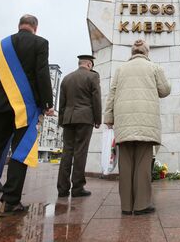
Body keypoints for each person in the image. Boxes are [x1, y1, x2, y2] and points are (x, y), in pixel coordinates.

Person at [0, 14, 54, 216]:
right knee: (20, 153)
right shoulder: (40, 43)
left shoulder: (1, 45)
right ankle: (10, 201)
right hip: (24, 108)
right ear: (35, 28)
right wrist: (47, 104)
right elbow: (42, 74)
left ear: (19, 26)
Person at [104, 39, 170, 215]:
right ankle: (141, 205)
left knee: (125, 165)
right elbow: (165, 90)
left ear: (132, 52)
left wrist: (108, 117)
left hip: (123, 121)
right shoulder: (154, 67)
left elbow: (112, 94)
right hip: (146, 121)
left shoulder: (120, 69)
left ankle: (126, 206)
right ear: (146, 52)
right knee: (142, 164)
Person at [57, 54, 102, 198]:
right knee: (80, 152)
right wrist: (97, 119)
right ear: (89, 64)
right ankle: (77, 188)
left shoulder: (66, 78)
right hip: (85, 118)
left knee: (67, 152)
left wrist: (61, 120)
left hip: (68, 118)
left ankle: (62, 189)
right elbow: (96, 99)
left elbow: (61, 102)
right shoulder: (92, 77)